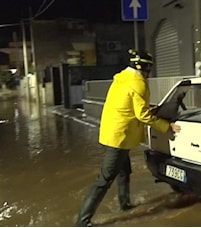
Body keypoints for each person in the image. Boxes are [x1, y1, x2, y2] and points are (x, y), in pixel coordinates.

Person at [75, 49, 181, 226]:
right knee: (104, 179)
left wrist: (152, 112)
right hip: (119, 138)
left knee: (124, 172)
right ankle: (83, 222)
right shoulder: (138, 83)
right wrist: (166, 126)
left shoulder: (121, 79)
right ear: (144, 68)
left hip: (111, 133)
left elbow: (132, 108)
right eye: (149, 69)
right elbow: (142, 115)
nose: (149, 73)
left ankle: (124, 204)